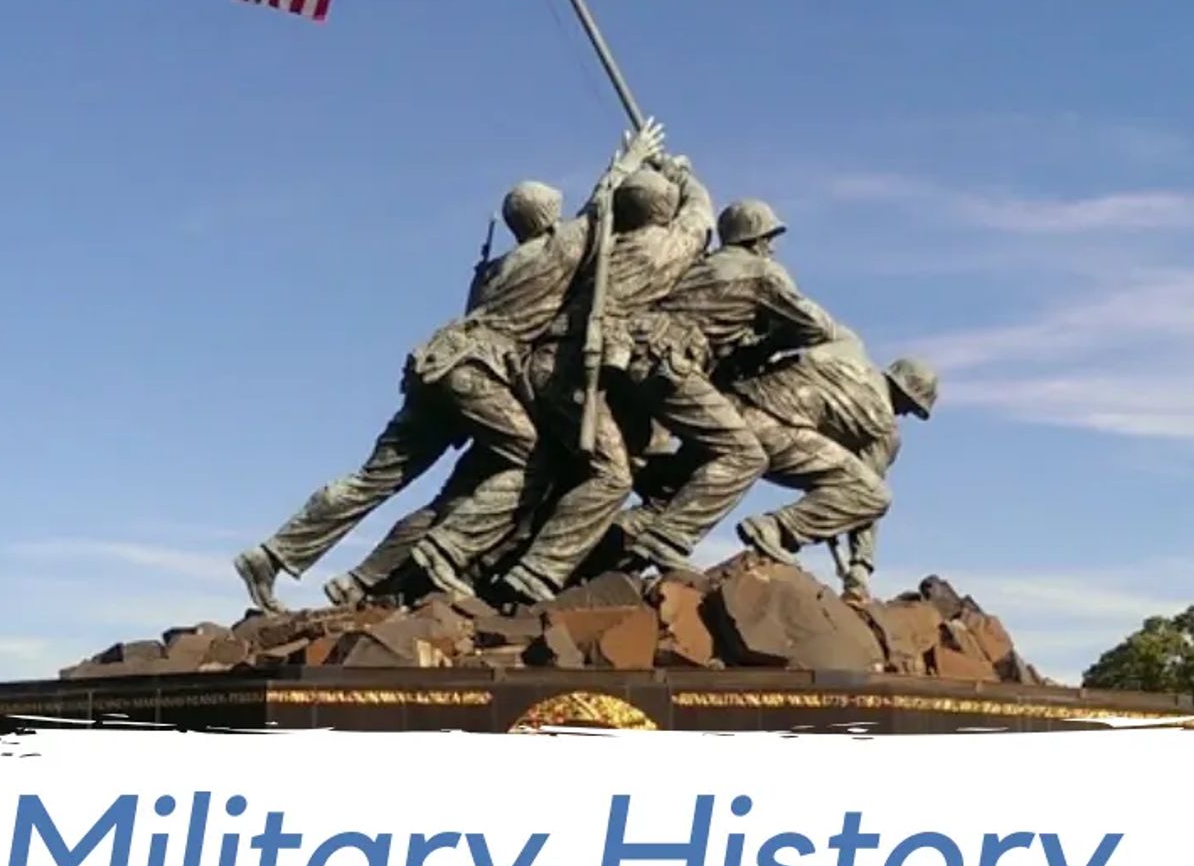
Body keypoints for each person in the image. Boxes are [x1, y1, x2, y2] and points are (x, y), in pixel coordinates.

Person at [233, 121, 664, 613]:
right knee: (530, 460)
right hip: (475, 373)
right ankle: (444, 552)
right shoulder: (556, 250)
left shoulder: (493, 271)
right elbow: (601, 206)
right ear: (548, 219)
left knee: (375, 478)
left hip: (435, 364)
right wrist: (630, 161)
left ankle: (274, 553)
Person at [489, 156, 715, 603]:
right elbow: (701, 217)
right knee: (611, 475)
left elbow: (591, 214)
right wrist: (681, 172)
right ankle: (537, 571)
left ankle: (498, 563)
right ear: (664, 210)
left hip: (540, 366)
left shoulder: (594, 250)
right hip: (576, 370)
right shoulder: (663, 248)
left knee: (563, 470)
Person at [609, 198, 860, 575]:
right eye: (769, 239)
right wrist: (767, 343)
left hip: (636, 359)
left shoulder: (701, 266)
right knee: (745, 455)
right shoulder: (762, 272)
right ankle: (668, 538)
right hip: (669, 364)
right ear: (755, 239)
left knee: (682, 462)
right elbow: (818, 327)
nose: (771, 248)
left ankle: (628, 532)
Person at [731, 348, 938, 600]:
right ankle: (777, 528)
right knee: (873, 495)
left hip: (737, 409)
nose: (905, 414)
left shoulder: (849, 365)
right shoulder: (883, 425)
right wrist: (861, 566)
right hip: (778, 438)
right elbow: (865, 497)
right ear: (904, 393)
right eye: (911, 407)